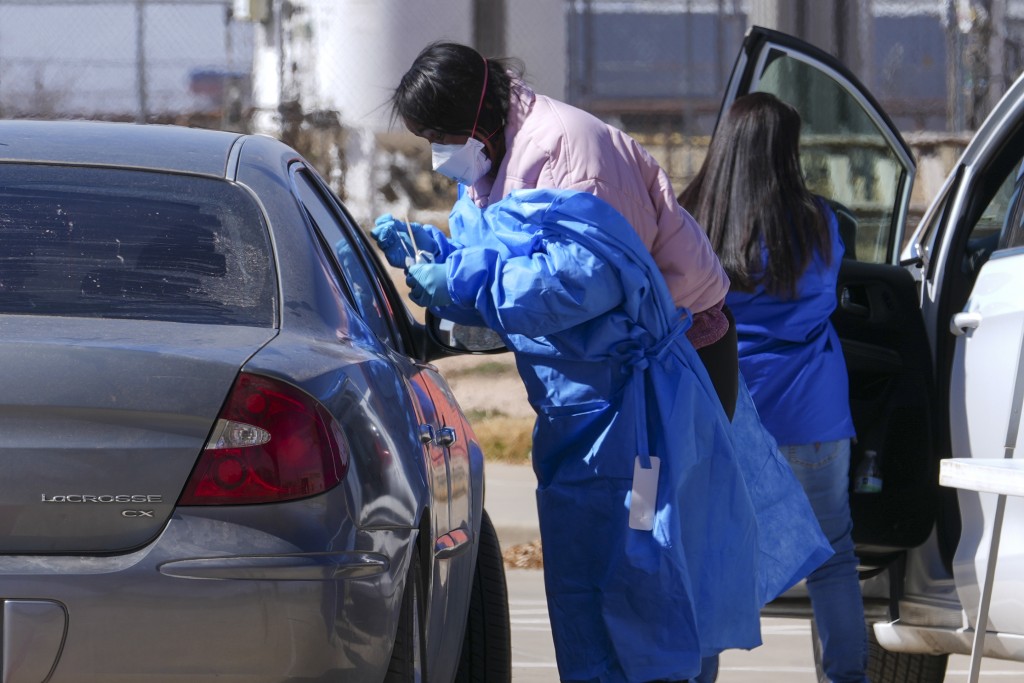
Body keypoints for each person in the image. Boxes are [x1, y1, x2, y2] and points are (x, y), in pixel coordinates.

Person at [375, 40, 738, 419]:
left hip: (672, 342)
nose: (436, 156)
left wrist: (463, 280)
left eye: (437, 138)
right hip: (601, 352)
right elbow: (500, 258)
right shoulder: (485, 159)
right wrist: (438, 254)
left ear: (470, 119)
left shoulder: (565, 150)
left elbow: (584, 281)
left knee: (658, 477)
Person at [679, 92, 868, 682]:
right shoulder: (823, 223)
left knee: (709, 558)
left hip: (724, 412)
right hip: (814, 416)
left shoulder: (691, 221)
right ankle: (847, 677)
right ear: (788, 152)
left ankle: (699, 674)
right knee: (834, 558)